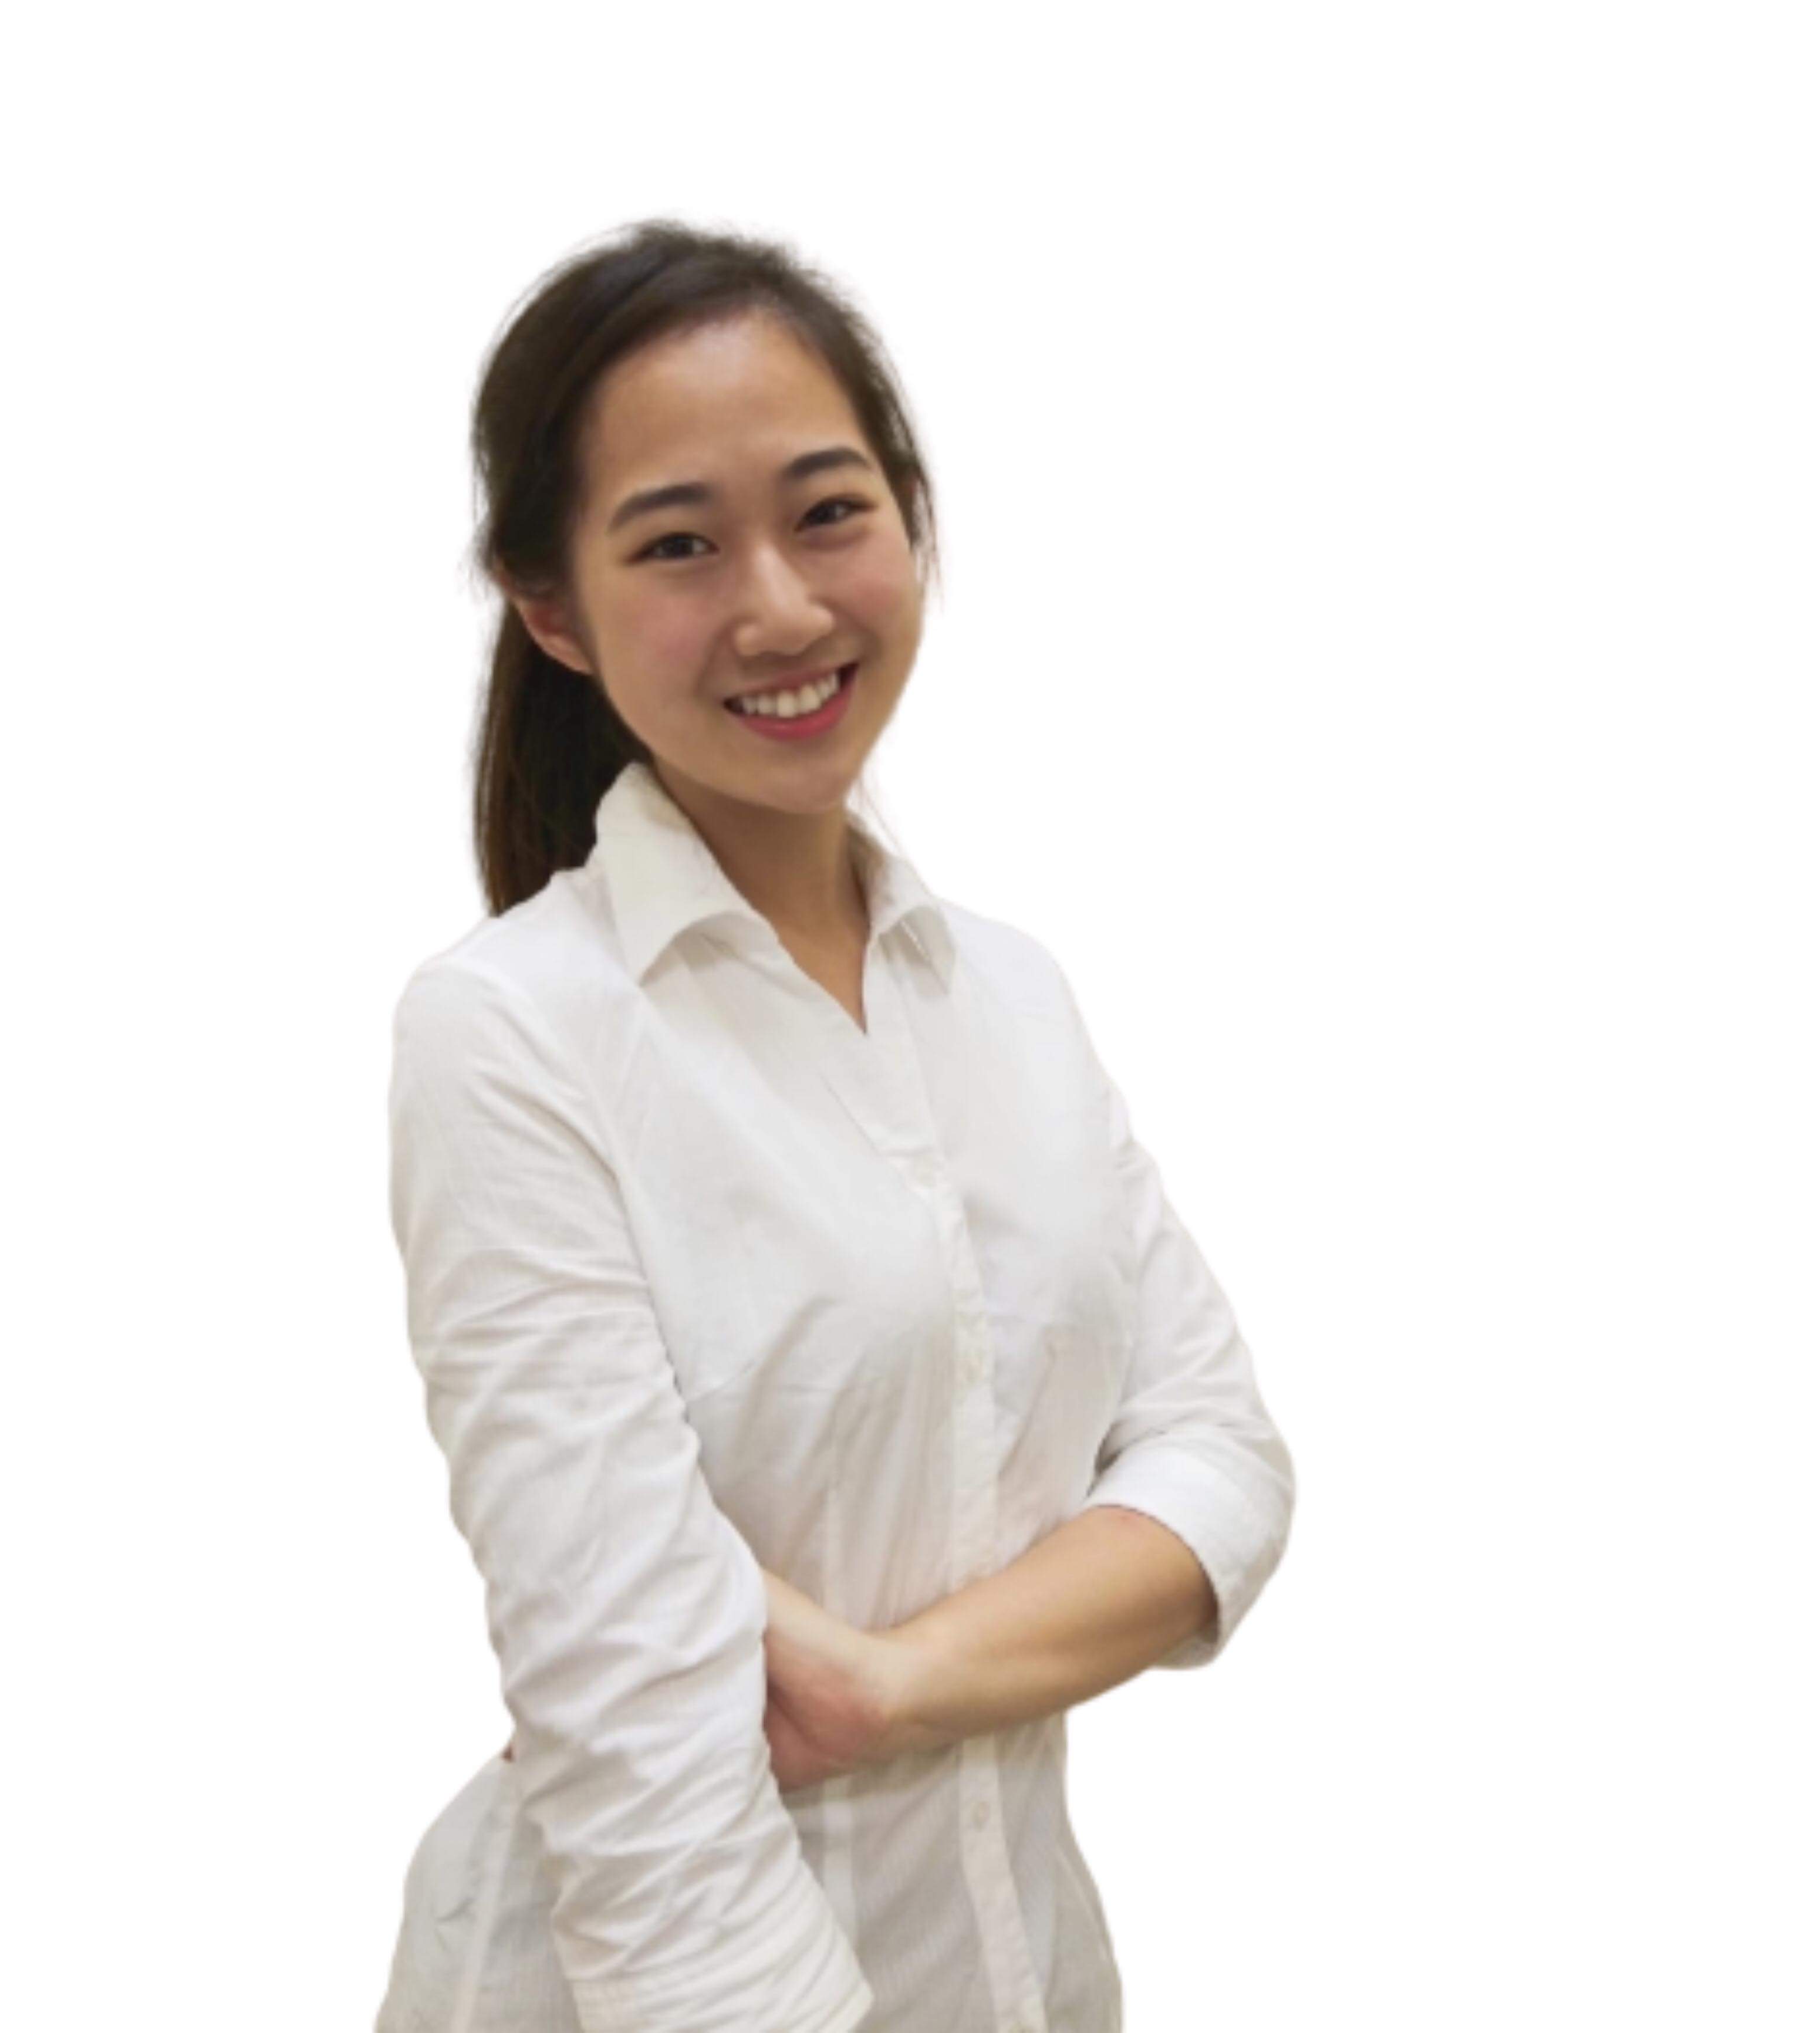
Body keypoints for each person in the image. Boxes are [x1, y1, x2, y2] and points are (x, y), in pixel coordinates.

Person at [374, 218, 1295, 2033]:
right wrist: (1037, 1624)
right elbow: (643, 1767)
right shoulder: (513, 1035)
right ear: (550, 610)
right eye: (679, 544)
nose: (782, 608)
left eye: (827, 512)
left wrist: (891, 1685)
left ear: (913, 518)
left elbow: (1223, 1469)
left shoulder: (1008, 996)